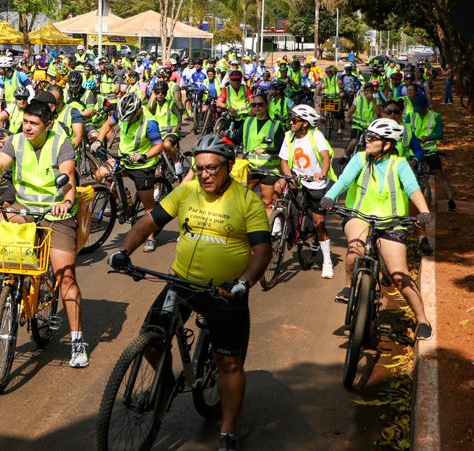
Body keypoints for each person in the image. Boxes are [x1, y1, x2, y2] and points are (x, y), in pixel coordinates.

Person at [108, 134, 272, 451]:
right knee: (151, 341)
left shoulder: (246, 201)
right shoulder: (187, 191)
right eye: (199, 169)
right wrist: (124, 251)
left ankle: (226, 431)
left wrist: (244, 283)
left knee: (228, 363)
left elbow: (262, 251)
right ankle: (167, 381)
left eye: (212, 168)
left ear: (230, 165)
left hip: (225, 291)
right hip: (181, 282)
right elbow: (148, 222)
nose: (205, 175)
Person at [0, 100, 89, 367]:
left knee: (66, 276)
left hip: (55, 213)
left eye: (34, 124)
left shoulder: (61, 143)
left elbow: (67, 176)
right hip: (24, 209)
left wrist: (66, 202)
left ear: (47, 125)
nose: (28, 127)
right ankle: (12, 287)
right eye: (25, 121)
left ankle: (77, 341)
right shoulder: (14, 141)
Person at [320, 118, 434, 340]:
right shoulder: (360, 159)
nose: (367, 140)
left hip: (392, 222)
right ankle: (347, 287)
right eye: (368, 136)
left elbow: (412, 188)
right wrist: (329, 196)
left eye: (373, 138)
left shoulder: (399, 164)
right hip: (360, 216)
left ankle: (422, 318)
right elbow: (343, 181)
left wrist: (423, 210)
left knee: (399, 275)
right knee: (355, 251)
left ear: (388, 144)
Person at [94, 93, 163, 252]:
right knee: (100, 175)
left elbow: (158, 146)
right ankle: (122, 199)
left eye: (129, 117)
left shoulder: (150, 123)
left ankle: (151, 237)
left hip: (142, 164)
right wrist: (98, 140)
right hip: (123, 159)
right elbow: (107, 125)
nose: (125, 120)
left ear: (138, 110)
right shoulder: (123, 112)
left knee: (148, 207)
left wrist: (143, 156)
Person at [278, 104, 336, 279]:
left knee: (319, 222)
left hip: (315, 183)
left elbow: (326, 157)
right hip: (297, 179)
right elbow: (283, 161)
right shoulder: (288, 136)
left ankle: (327, 261)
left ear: (304, 123)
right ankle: (280, 223)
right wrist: (289, 177)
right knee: (279, 188)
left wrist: (322, 173)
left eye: (294, 120)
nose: (290, 122)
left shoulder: (316, 135)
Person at [408, 95, 456, 211]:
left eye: (421, 109)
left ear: (426, 107)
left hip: (430, 150)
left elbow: (440, 134)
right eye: (417, 110)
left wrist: (429, 138)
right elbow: (406, 131)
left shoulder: (435, 116)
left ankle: (451, 200)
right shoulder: (410, 116)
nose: (419, 112)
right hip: (414, 151)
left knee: (439, 174)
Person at [242, 93, 285, 212]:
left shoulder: (275, 125)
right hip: (250, 168)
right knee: (241, 200)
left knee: (267, 202)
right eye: (254, 105)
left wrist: (267, 150)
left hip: (269, 170)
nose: (257, 107)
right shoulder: (247, 122)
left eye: (260, 104)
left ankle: (269, 229)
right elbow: (235, 138)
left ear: (266, 106)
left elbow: (282, 148)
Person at [148, 81, 184, 176]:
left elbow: (178, 114)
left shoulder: (170, 103)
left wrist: (178, 126)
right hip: (159, 133)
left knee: (167, 145)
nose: (160, 95)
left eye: (163, 92)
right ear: (154, 93)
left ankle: (176, 163)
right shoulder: (153, 104)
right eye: (158, 92)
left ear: (166, 93)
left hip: (171, 132)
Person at [216, 70, 253, 142]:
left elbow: (252, 100)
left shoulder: (246, 88)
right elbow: (218, 103)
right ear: (230, 80)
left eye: (238, 80)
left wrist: (252, 109)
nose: (236, 82)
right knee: (224, 132)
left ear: (241, 79)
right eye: (234, 80)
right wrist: (228, 107)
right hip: (232, 115)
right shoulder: (226, 89)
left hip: (245, 116)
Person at [345, 83, 380, 157]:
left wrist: (373, 102)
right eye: (367, 90)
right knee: (354, 142)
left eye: (371, 91)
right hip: (357, 126)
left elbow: (378, 112)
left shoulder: (375, 101)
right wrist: (348, 118)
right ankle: (346, 156)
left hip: (369, 128)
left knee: (370, 146)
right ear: (364, 92)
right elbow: (351, 111)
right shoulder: (358, 99)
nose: (369, 92)